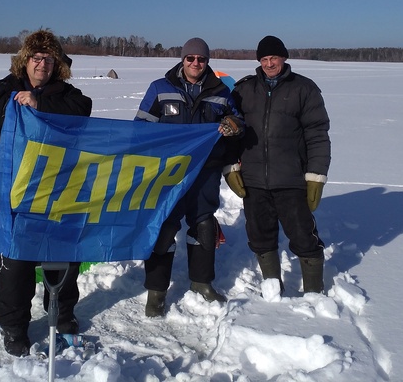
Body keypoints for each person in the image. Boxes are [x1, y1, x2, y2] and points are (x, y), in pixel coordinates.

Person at [0, 29, 92, 356]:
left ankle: (63, 318)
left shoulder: (67, 96)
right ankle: (13, 328)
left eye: (49, 60)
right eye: (36, 59)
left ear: (57, 65)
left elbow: (82, 116)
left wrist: (41, 105)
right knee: (16, 265)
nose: (42, 65)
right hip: (14, 196)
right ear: (25, 61)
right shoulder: (2, 94)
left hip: (58, 194)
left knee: (63, 263)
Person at [135, 37, 244, 317]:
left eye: (202, 59)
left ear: (208, 61)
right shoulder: (160, 88)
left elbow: (238, 119)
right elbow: (141, 127)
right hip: (169, 173)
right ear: (182, 60)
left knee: (204, 225)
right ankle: (156, 292)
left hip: (205, 170)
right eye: (190, 58)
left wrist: (234, 124)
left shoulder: (221, 90)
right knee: (164, 228)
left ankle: (201, 282)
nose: (196, 63)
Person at [228, 35, 331, 295]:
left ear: (284, 58)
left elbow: (317, 134)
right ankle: (273, 287)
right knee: (260, 236)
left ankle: (313, 294)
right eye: (264, 59)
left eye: (273, 58)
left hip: (291, 178)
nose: (269, 63)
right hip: (253, 179)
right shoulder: (243, 90)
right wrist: (230, 167)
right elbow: (228, 131)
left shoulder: (304, 89)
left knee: (303, 236)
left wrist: (316, 175)